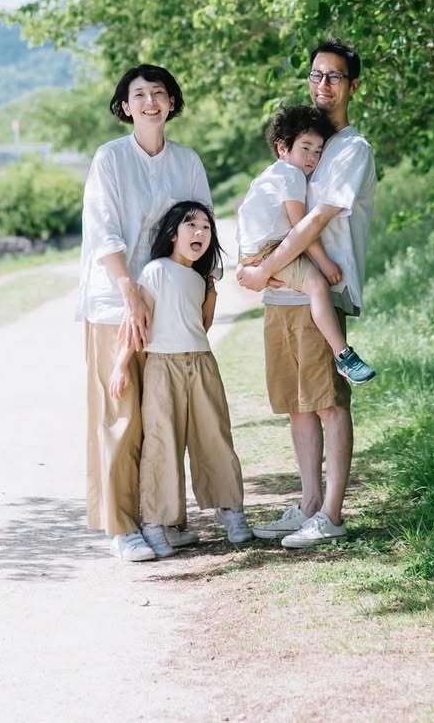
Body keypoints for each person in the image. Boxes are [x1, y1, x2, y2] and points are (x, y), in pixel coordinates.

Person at [236, 39, 376, 549]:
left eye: (334, 76)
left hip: (322, 292)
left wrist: (262, 269)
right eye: (316, 75)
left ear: (352, 85)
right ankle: (310, 503)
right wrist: (265, 272)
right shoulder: (304, 141)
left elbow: (316, 218)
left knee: (328, 404)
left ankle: (332, 513)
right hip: (282, 293)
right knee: (299, 405)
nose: (323, 84)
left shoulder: (350, 148)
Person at [79, 64, 212, 562]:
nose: (151, 101)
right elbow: (104, 232)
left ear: (172, 103)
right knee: (121, 412)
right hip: (116, 301)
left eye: (159, 93)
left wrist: (202, 297)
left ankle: (162, 516)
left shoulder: (187, 161)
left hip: (169, 303)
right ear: (125, 106)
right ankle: (122, 525)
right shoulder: (110, 159)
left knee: (162, 414)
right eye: (140, 94)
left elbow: (203, 229)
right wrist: (129, 293)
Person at [109, 200, 252, 555]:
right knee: (162, 443)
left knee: (215, 438)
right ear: (173, 234)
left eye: (206, 227)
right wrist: (120, 365)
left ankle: (231, 512)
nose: (200, 232)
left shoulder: (199, 279)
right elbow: (138, 321)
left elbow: (201, 325)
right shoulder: (155, 270)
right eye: (192, 225)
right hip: (162, 365)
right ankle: (155, 524)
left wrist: (211, 289)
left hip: (201, 362)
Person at [238, 105, 375, 384]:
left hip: (256, 250)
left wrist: (247, 262)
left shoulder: (269, 174)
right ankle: (343, 356)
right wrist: (324, 262)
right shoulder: (292, 176)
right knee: (317, 286)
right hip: (269, 249)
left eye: (318, 151)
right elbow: (300, 226)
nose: (312, 157)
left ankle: (341, 355)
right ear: (282, 148)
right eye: (305, 148)